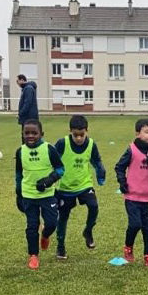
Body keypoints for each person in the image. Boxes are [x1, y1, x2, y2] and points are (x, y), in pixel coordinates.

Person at [49, 115, 107, 258]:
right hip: (65, 188)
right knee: (63, 217)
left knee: (93, 206)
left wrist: (101, 173)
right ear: (70, 131)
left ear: (87, 131)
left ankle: (88, 231)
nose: (79, 138)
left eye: (82, 135)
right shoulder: (62, 143)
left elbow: (96, 161)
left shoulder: (92, 144)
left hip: (84, 185)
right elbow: (52, 160)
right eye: (76, 135)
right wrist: (48, 178)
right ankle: (60, 246)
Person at [115, 118, 148, 267]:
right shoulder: (131, 149)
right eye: (147, 132)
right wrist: (122, 182)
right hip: (132, 197)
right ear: (138, 133)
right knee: (135, 224)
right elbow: (119, 167)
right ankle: (128, 247)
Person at [14, 119, 65, 270]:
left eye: (34, 133)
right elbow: (18, 173)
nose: (30, 136)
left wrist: (49, 180)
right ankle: (33, 255)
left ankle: (45, 235)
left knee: (51, 223)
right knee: (31, 226)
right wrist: (18, 193)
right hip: (28, 195)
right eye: (27, 133)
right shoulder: (20, 151)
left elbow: (61, 169)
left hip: (47, 195)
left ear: (41, 134)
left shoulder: (49, 149)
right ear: (22, 134)